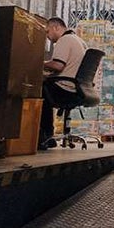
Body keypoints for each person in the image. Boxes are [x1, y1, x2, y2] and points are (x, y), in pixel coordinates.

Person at [40, 17, 86, 150]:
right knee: (46, 86)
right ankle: (48, 136)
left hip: (67, 88)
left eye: (48, 32)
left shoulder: (64, 40)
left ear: (56, 28)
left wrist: (40, 62)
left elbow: (58, 65)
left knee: (39, 91)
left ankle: (45, 137)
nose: (47, 36)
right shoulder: (78, 40)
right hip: (78, 88)